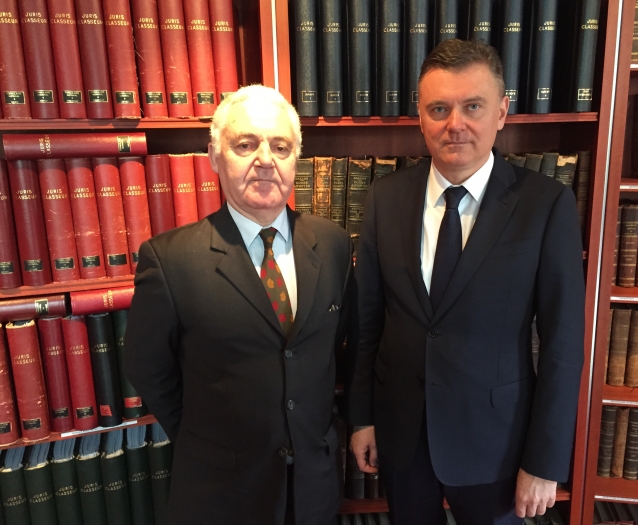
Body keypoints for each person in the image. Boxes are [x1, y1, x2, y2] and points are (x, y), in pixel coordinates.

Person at [347, 38, 585, 525]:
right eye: (439, 108)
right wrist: (361, 417)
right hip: (402, 436)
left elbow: (563, 344)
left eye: (472, 106)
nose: (454, 124)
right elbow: (367, 323)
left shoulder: (545, 205)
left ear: (501, 111)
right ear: (420, 117)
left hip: (498, 445)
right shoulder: (384, 199)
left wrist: (544, 460)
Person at [123, 85, 353, 525]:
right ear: (215, 156)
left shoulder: (334, 245)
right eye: (245, 144)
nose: (265, 159)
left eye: (280, 147)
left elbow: (337, 349)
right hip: (221, 493)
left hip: (314, 486)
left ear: (296, 159)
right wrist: (208, 441)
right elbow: (146, 367)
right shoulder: (170, 260)